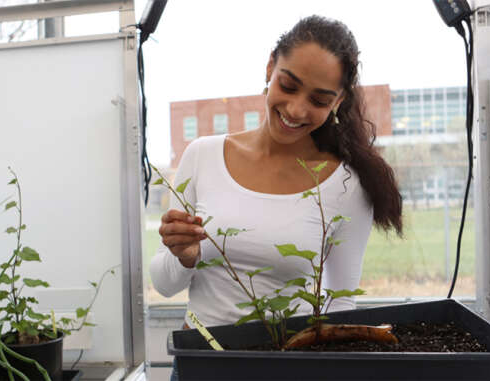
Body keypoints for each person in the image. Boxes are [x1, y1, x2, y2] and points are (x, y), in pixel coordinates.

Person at [151, 13, 403, 347]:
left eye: (319, 100)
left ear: (338, 102)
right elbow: (164, 284)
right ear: (270, 67)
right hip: (201, 361)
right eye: (289, 85)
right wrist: (185, 256)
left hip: (288, 366)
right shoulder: (202, 156)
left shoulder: (345, 184)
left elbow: (341, 304)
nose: (297, 110)